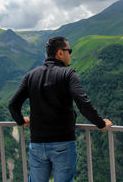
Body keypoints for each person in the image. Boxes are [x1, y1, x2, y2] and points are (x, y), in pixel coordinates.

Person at [8, 36, 113, 182]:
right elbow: (83, 103)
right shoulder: (68, 74)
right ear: (60, 53)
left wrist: (21, 121)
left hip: (37, 143)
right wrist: (101, 123)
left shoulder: (31, 75)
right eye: (69, 51)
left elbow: (13, 105)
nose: (70, 54)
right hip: (63, 143)